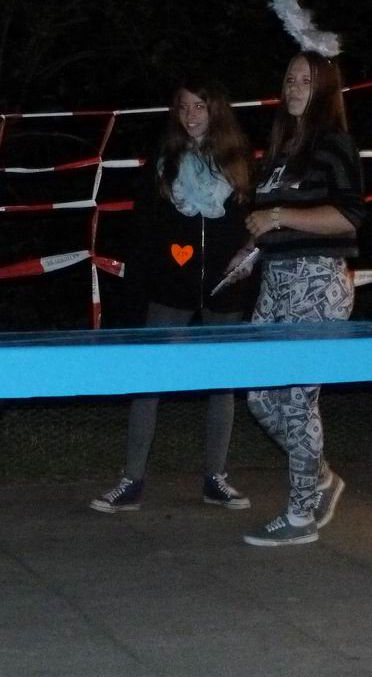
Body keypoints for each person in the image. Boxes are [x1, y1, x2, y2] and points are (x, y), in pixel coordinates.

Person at [90, 78, 254, 514]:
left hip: (224, 291)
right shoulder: (162, 163)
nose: (191, 115)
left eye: (200, 106)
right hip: (169, 290)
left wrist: (244, 265)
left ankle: (216, 478)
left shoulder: (239, 163)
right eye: (184, 107)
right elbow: (143, 232)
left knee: (222, 384)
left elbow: (251, 225)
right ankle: (131, 479)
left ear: (216, 110)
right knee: (149, 380)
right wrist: (140, 290)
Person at [236, 50, 365, 547]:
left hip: (317, 282)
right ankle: (321, 478)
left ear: (324, 89)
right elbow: (277, 222)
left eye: (305, 81)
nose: (293, 88)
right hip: (275, 282)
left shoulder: (333, 143)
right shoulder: (281, 148)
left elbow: (348, 216)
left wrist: (278, 217)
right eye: (289, 79)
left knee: (296, 399)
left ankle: (300, 515)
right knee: (258, 394)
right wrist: (252, 248)